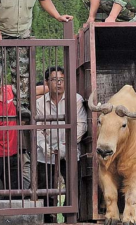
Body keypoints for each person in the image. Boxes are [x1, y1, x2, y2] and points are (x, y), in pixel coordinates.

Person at [36, 66, 87, 222]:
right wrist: (44, 146)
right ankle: (48, 219)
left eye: (62, 80)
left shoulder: (75, 99)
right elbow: (37, 128)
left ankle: (70, 219)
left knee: (73, 187)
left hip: (69, 150)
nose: (58, 83)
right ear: (46, 82)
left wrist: (67, 145)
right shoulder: (39, 103)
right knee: (46, 189)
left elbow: (81, 125)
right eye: (54, 80)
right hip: (46, 153)